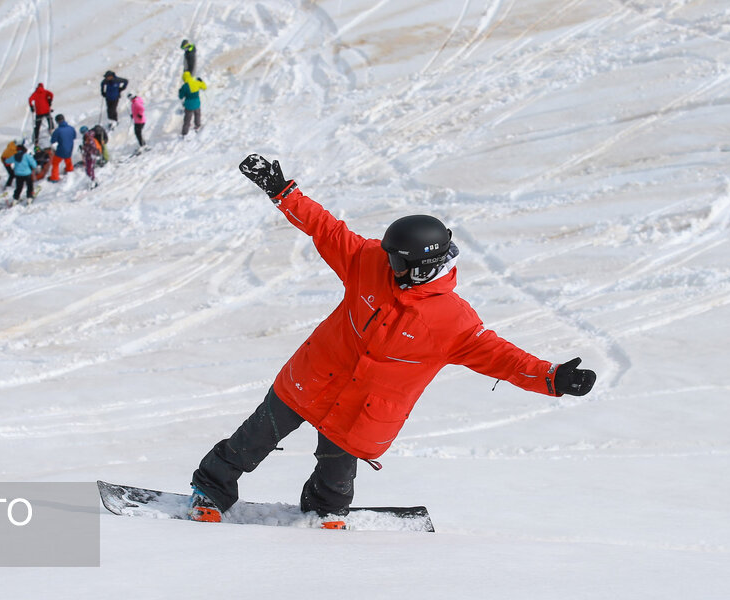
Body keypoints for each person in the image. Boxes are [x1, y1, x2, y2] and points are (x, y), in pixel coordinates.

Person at [187, 154, 598, 525]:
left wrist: (552, 377)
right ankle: (211, 488)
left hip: (362, 410)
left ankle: (324, 512)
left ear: (422, 267)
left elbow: (503, 358)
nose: (388, 262)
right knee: (254, 437)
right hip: (312, 376)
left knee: (337, 469)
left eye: (398, 260)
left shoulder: (453, 322)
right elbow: (327, 230)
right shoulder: (370, 262)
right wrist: (283, 192)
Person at [48, 114, 77, 182]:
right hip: (70, 148)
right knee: (68, 159)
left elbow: (52, 141)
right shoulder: (71, 128)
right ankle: (69, 170)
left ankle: (55, 178)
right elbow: (74, 136)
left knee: (55, 163)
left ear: (57, 121)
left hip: (61, 149)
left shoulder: (58, 131)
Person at [178, 71, 206, 136]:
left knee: (187, 119)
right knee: (197, 114)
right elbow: (204, 87)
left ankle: (184, 133)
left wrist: (180, 91)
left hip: (189, 106)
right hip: (197, 104)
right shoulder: (196, 82)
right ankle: (198, 125)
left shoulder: (185, 86)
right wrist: (201, 81)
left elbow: (180, 96)